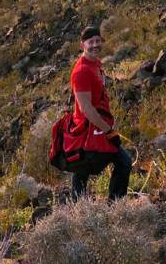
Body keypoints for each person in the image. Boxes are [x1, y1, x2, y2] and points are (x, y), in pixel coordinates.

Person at [69, 25, 132, 200]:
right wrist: (109, 131)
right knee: (121, 162)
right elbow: (86, 109)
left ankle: (112, 203)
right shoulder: (81, 72)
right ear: (83, 44)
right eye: (91, 42)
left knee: (83, 170)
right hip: (87, 129)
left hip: (98, 126)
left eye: (98, 41)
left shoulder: (96, 63)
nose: (95, 45)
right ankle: (84, 209)